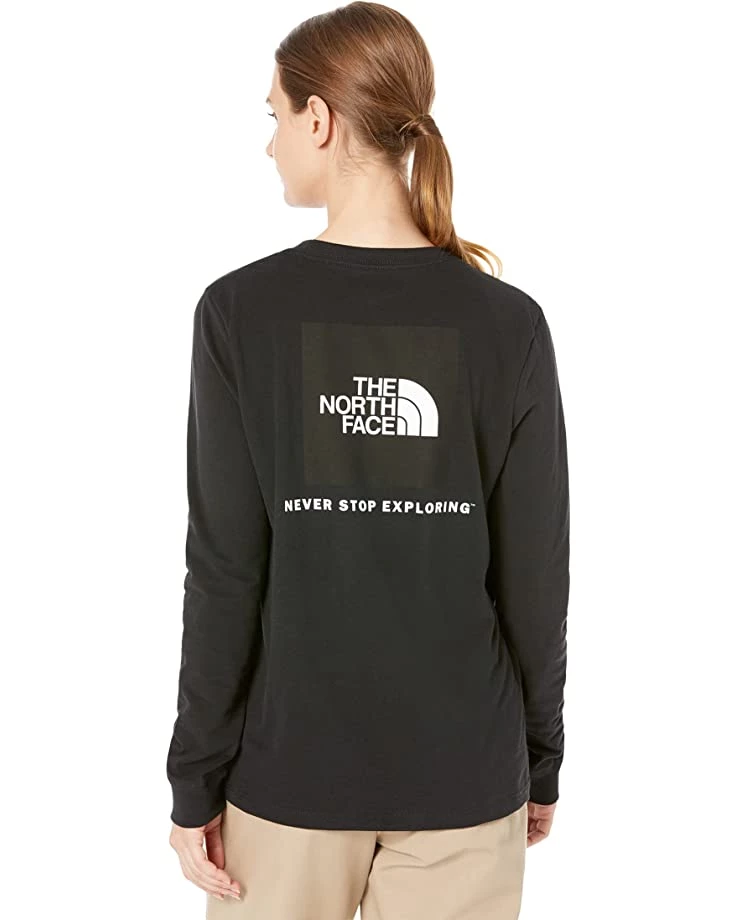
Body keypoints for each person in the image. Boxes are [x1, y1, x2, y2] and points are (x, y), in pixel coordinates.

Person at [166, 3, 569, 918]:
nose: (269, 143)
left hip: (289, 778)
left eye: (274, 115)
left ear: (319, 118)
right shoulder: (507, 324)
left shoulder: (241, 312)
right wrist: (539, 759)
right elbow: (536, 574)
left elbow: (225, 569)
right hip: (467, 772)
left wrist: (195, 779)